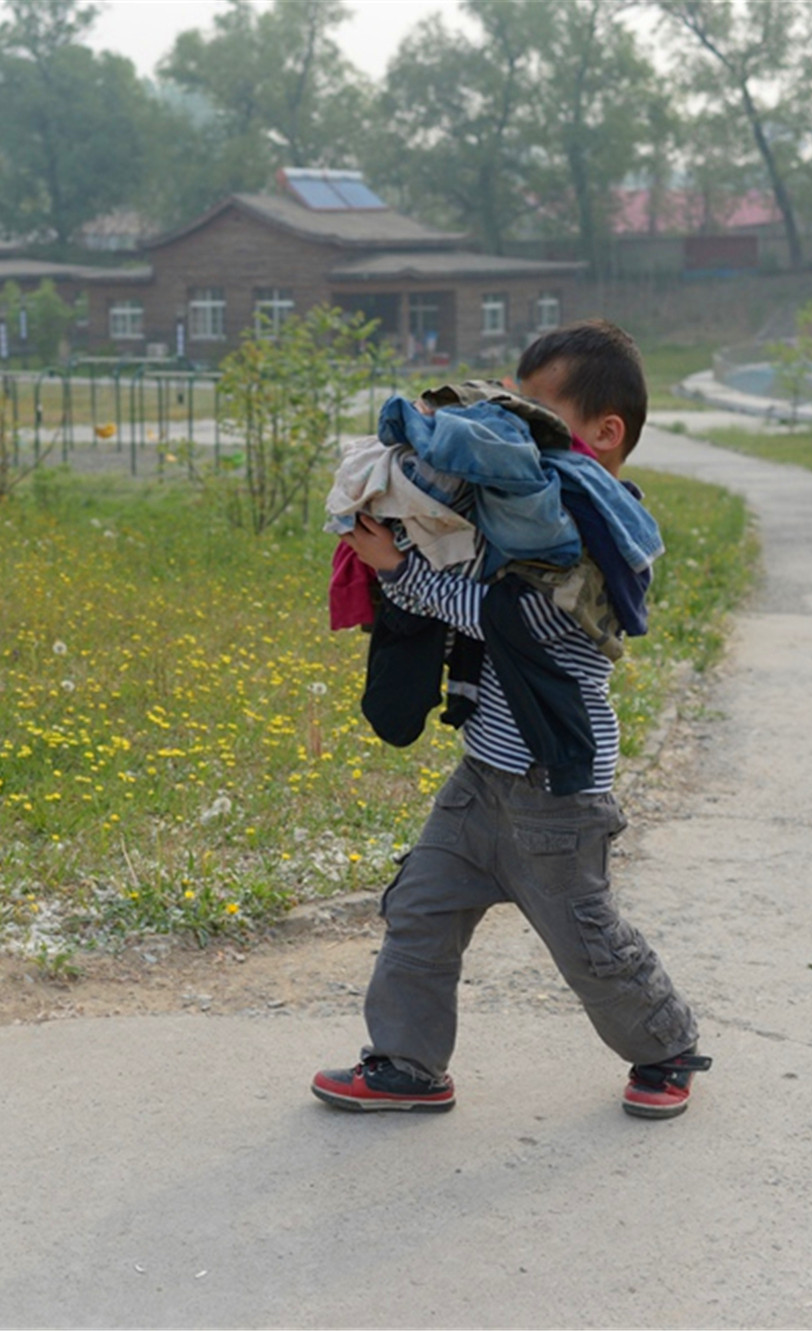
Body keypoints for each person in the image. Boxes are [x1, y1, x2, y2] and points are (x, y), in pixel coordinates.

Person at [313, 319, 710, 1119]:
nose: (512, 431)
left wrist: (402, 572)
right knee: (419, 908)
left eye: (537, 416)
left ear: (603, 435)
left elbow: (509, 618)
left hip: (556, 796)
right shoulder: (514, 519)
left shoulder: (600, 538)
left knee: (587, 940)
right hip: (484, 779)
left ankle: (666, 1045)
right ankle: (408, 1063)